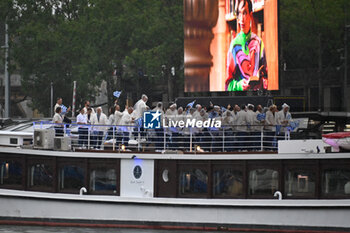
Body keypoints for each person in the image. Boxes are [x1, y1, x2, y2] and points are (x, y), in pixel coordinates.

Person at [225, 0, 267, 91]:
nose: (241, 19)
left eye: (244, 13)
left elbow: (266, 77)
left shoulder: (258, 43)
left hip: (258, 97)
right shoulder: (234, 46)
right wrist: (240, 85)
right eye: (239, 14)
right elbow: (227, 85)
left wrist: (261, 83)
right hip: (240, 98)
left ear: (250, 15)